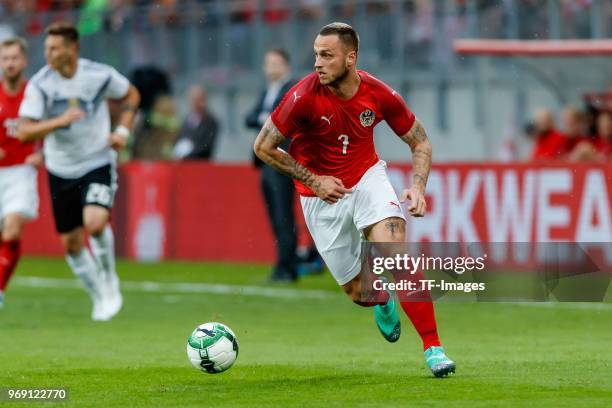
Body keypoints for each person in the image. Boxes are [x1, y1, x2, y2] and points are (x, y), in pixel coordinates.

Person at [253, 22, 455, 377]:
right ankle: (382, 298)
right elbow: (263, 147)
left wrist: (418, 187)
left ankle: (434, 348)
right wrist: (314, 180)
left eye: (327, 55)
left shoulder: (379, 94)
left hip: (366, 179)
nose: (317, 63)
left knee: (398, 257)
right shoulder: (302, 96)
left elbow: (420, 141)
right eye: (316, 54)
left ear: (350, 57)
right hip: (319, 197)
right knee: (359, 293)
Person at [17, 22, 141, 321]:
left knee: (95, 223)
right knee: (71, 245)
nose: (48, 53)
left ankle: (110, 279)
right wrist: (57, 123)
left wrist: (122, 131)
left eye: (54, 48)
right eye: (46, 48)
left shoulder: (99, 75)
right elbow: (24, 132)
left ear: (72, 49)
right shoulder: (40, 85)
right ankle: (98, 294)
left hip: (97, 160)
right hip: (60, 168)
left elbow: (132, 96)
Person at [246, 49, 299, 282]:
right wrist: (266, 117)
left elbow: (283, 118)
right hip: (265, 160)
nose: (271, 68)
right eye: (268, 63)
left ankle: (287, 266)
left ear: (286, 66)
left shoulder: (292, 88)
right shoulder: (268, 91)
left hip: (281, 159)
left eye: (276, 63)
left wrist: (266, 118)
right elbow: (250, 117)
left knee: (283, 214)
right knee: (274, 214)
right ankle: (282, 263)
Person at [0, 37, 42, 308]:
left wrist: (44, 153)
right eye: (5, 58)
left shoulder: (35, 95)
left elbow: (54, 129)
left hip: (23, 172)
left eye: (14, 58)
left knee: (12, 230)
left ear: (24, 61)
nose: (10, 63)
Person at [173, 85, 219, 160]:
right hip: (182, 165)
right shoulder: (186, 119)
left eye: (197, 99)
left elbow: (206, 147)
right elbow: (179, 139)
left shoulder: (210, 121)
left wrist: (187, 155)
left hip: (199, 165)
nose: (194, 102)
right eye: (192, 99)